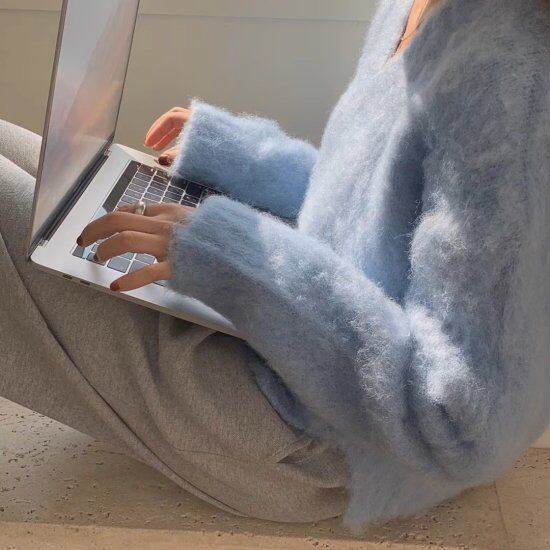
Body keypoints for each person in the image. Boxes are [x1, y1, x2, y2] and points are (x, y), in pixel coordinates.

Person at [1, 0, 549, 530]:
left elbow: (462, 424)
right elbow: (367, 216)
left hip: (314, 439)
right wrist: (244, 160)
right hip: (294, 349)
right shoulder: (418, 9)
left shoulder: (509, 85)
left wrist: (240, 257)